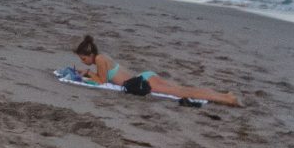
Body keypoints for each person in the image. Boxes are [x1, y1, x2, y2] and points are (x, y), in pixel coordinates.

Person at [73, 35, 239, 106]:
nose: (84, 61)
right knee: (181, 89)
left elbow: (101, 81)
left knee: (182, 92)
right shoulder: (103, 57)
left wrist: (87, 74)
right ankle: (225, 96)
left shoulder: (100, 60)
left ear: (91, 54)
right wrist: (86, 72)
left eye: (84, 59)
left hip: (144, 81)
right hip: (144, 76)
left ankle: (226, 99)